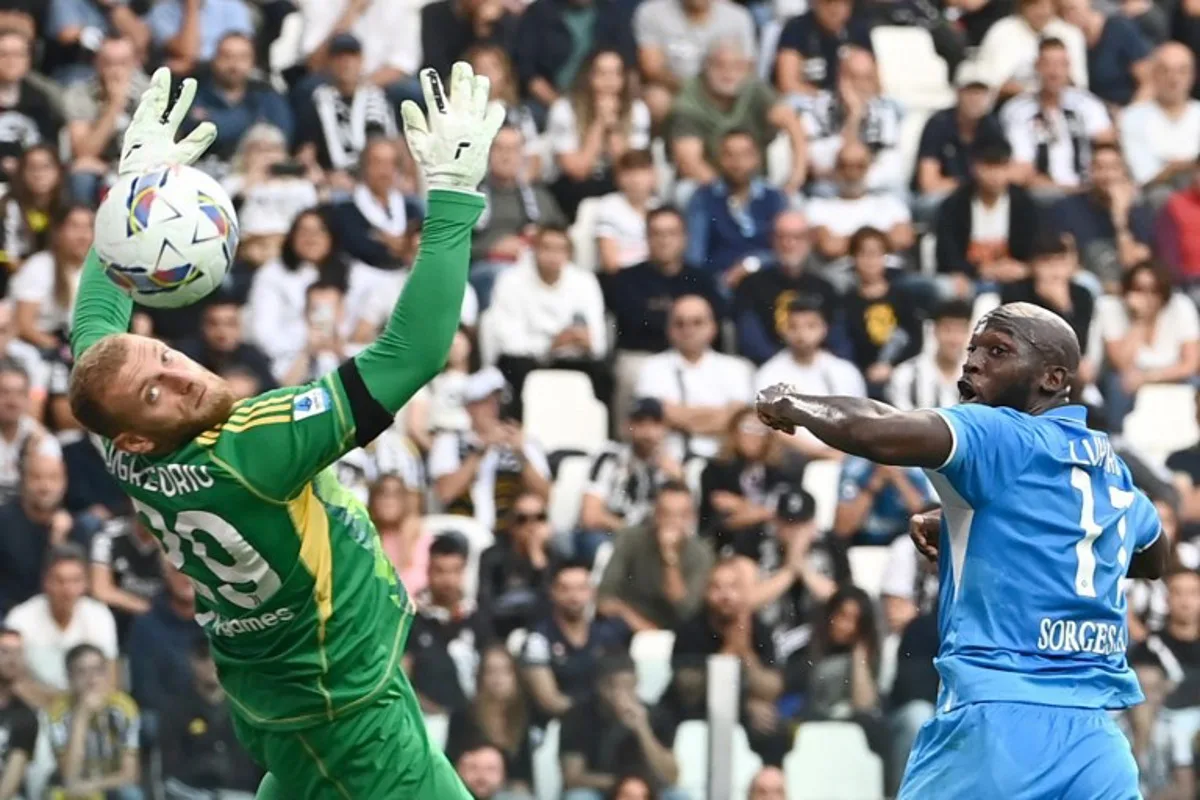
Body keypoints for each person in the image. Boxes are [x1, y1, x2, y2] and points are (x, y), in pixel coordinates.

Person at [63, 64, 504, 799]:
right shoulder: (254, 449)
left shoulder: (118, 434)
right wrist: (455, 198)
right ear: (138, 432)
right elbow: (415, 353)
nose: (184, 375)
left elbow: (93, 330)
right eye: (158, 389)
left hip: (287, 699)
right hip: (347, 715)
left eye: (168, 355)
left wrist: (131, 196)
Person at [754, 300, 1169, 798]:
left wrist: (793, 402)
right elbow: (1152, 557)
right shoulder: (1111, 468)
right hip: (1098, 746)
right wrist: (982, 522)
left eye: (998, 351)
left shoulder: (1001, 433)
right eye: (972, 348)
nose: (974, 361)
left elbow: (879, 430)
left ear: (1053, 379)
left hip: (996, 731)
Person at [46, 643, 142, 799]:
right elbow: (69, 776)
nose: (92, 680)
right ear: (69, 678)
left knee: (132, 794)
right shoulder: (58, 712)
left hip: (110, 784)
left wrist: (91, 786)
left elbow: (130, 774)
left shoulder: (123, 708)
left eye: (98, 671)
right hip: (70, 788)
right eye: (82, 672)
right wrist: (81, 717)